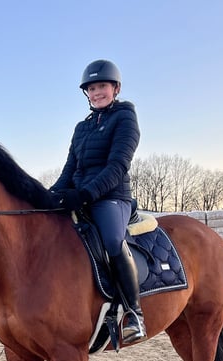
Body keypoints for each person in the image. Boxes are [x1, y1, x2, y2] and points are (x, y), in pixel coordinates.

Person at [48, 59, 146, 344]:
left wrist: (86, 194)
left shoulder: (125, 118)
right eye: (91, 88)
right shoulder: (82, 128)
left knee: (113, 241)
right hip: (81, 196)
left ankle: (133, 313)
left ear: (115, 88)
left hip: (111, 198)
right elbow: (69, 169)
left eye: (101, 86)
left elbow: (117, 167)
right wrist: (50, 195)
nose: (96, 92)